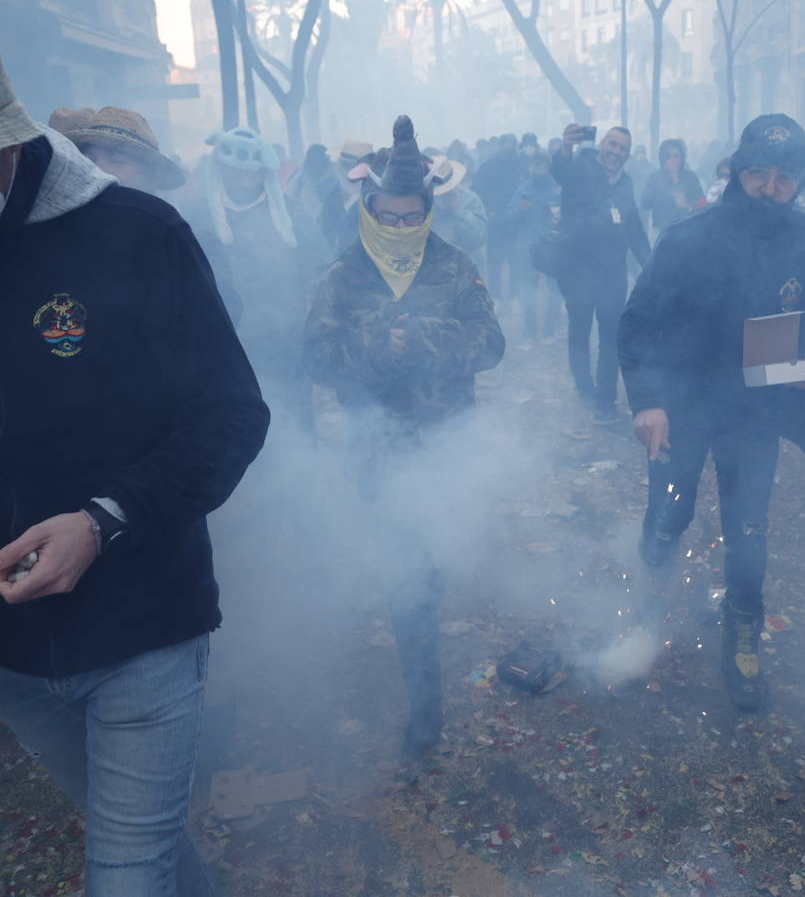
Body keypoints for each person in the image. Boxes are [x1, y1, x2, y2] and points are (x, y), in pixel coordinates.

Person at [0, 0, 269, 894]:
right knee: (144, 852)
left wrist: (104, 518)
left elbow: (231, 416)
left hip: (142, 623)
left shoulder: (139, 233)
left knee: (124, 871)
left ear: (4, 128)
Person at [618, 113, 805, 711]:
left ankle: (743, 638)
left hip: (757, 408)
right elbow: (638, 322)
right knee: (668, 516)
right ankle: (646, 617)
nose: (771, 188)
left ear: (801, 181)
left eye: (786, 178)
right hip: (684, 403)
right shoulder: (688, 237)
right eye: (759, 174)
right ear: (735, 171)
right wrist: (648, 401)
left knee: (748, 529)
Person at [306, 116, 504, 756]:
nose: (397, 228)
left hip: (446, 448)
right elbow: (316, 358)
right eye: (386, 217)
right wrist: (375, 347)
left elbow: (492, 343)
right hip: (380, 453)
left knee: (433, 565)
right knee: (409, 577)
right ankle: (426, 705)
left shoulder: (454, 266)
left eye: (409, 217)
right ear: (370, 210)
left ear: (427, 212)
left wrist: (429, 340)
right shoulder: (343, 275)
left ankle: (421, 630)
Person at [201, 126, 321, 425]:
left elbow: (319, 264)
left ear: (263, 172)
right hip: (226, 339)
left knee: (293, 416)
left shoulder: (291, 212)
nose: (242, 179)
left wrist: (308, 318)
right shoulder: (200, 215)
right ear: (221, 170)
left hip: (286, 337)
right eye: (233, 171)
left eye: (250, 173)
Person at [552, 124, 651, 423]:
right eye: (612, 144)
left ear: (627, 155)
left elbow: (633, 227)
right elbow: (560, 171)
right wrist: (566, 146)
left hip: (612, 273)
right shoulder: (580, 166)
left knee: (611, 338)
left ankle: (605, 402)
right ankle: (584, 389)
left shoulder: (626, 184)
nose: (615, 151)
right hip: (577, 269)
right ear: (602, 144)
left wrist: (651, 266)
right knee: (579, 332)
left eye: (622, 148)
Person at [48, 106, 186, 195]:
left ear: (152, 176)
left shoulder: (165, 227)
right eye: (90, 160)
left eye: (116, 161)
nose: (98, 169)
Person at [505, 151, 564, 343]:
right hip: (527, 247)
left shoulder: (557, 189)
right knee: (526, 289)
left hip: (552, 247)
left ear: (548, 166)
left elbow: (566, 218)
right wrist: (520, 210)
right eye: (535, 165)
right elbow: (509, 218)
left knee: (554, 289)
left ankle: (548, 330)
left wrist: (558, 220)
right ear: (530, 167)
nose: (539, 169)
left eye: (543, 165)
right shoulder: (523, 189)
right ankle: (530, 329)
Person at [474, 132, 527, 298]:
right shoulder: (488, 166)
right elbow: (477, 190)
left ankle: (514, 298)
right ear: (501, 145)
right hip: (496, 223)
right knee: (495, 263)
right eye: (506, 143)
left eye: (512, 143)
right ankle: (496, 299)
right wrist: (488, 210)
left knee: (517, 263)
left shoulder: (523, 166)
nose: (509, 146)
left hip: (518, 223)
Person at [427, 152, 488, 258]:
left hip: (467, 264)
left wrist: (459, 210)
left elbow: (479, 238)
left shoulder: (470, 199)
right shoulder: (424, 201)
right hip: (433, 264)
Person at [641, 138, 704, 234]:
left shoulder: (691, 177)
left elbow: (702, 202)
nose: (672, 159)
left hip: (687, 228)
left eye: (676, 155)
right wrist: (670, 199)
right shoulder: (655, 178)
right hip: (661, 230)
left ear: (682, 157)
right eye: (668, 156)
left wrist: (689, 206)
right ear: (663, 158)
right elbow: (645, 203)